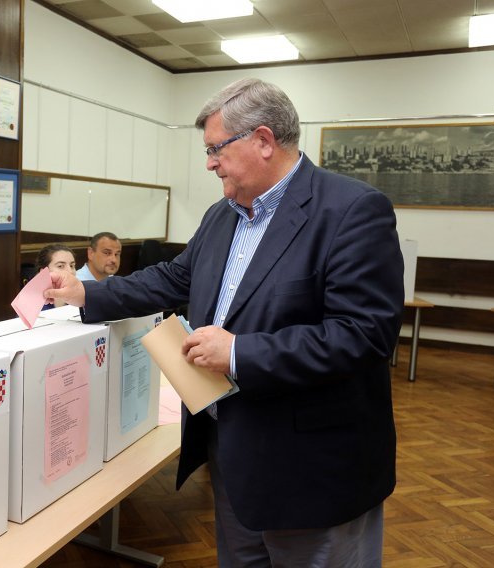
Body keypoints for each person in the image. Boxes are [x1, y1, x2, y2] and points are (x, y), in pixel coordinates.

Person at [46, 78, 404, 566]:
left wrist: (238, 353)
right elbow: (174, 278)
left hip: (313, 471)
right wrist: (86, 291)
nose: (209, 162)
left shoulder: (351, 210)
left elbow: (363, 334)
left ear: (262, 140)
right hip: (233, 454)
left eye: (216, 148)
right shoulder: (223, 214)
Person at [35, 243, 76, 308]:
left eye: (72, 266)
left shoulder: (80, 295)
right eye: (60, 266)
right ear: (43, 272)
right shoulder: (31, 302)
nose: (70, 271)